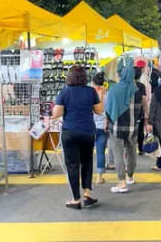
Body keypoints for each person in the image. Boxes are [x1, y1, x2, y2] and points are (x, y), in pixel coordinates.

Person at [52, 65, 101, 209]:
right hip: (87, 131)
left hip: (70, 132)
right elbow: (99, 111)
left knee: (72, 165)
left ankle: (76, 199)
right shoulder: (91, 91)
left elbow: (56, 114)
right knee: (87, 162)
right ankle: (87, 194)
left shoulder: (64, 92)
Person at [105, 58, 140, 193]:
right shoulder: (137, 90)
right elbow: (140, 110)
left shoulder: (114, 90)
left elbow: (108, 110)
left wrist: (107, 121)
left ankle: (121, 182)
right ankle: (130, 176)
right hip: (132, 127)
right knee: (131, 152)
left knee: (118, 153)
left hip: (117, 127)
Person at [91, 72, 108, 184]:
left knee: (86, 152)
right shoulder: (108, 94)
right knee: (100, 152)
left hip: (90, 126)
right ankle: (99, 177)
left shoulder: (90, 94)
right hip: (103, 126)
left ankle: (83, 176)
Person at [134, 64, 149, 155]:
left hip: (127, 112)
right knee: (140, 131)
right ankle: (140, 149)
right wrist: (147, 113)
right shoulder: (141, 86)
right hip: (139, 111)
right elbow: (144, 100)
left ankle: (129, 149)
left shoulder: (125, 85)